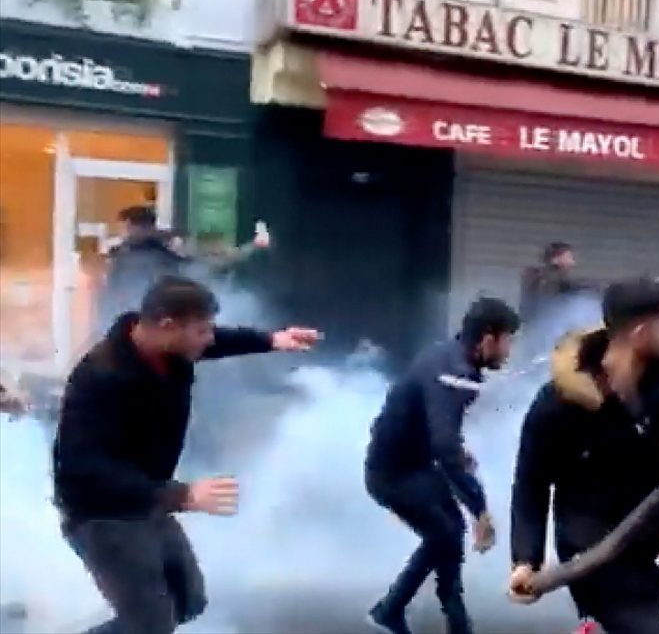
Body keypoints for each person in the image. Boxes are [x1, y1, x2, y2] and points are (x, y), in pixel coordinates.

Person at [52, 275, 321, 634]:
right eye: (202, 332)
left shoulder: (166, 347)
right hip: (99, 511)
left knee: (187, 601)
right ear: (166, 326)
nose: (210, 340)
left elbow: (213, 341)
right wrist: (182, 495)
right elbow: (81, 466)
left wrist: (271, 339)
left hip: (148, 498)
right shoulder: (101, 377)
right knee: (150, 623)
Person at [507, 277, 659, 634]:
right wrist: (525, 559)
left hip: (655, 535)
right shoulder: (560, 403)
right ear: (641, 332)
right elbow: (530, 485)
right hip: (595, 552)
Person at [363, 297, 520, 634]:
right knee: (446, 534)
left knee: (449, 533)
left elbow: (438, 430)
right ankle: (399, 612)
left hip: (413, 464)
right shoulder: (454, 372)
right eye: (507, 339)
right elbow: (444, 445)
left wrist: (455, 451)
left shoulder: (452, 358)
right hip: (392, 474)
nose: (509, 350)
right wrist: (479, 508)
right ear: (488, 339)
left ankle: (429, 618)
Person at [98, 206, 186, 331]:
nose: (123, 233)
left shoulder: (134, 256)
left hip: (137, 320)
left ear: (132, 226)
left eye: (124, 227)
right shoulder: (166, 255)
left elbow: (117, 291)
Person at [518, 242, 596, 357]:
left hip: (537, 336)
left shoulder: (541, 278)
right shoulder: (545, 280)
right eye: (569, 258)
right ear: (556, 259)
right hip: (539, 338)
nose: (573, 263)